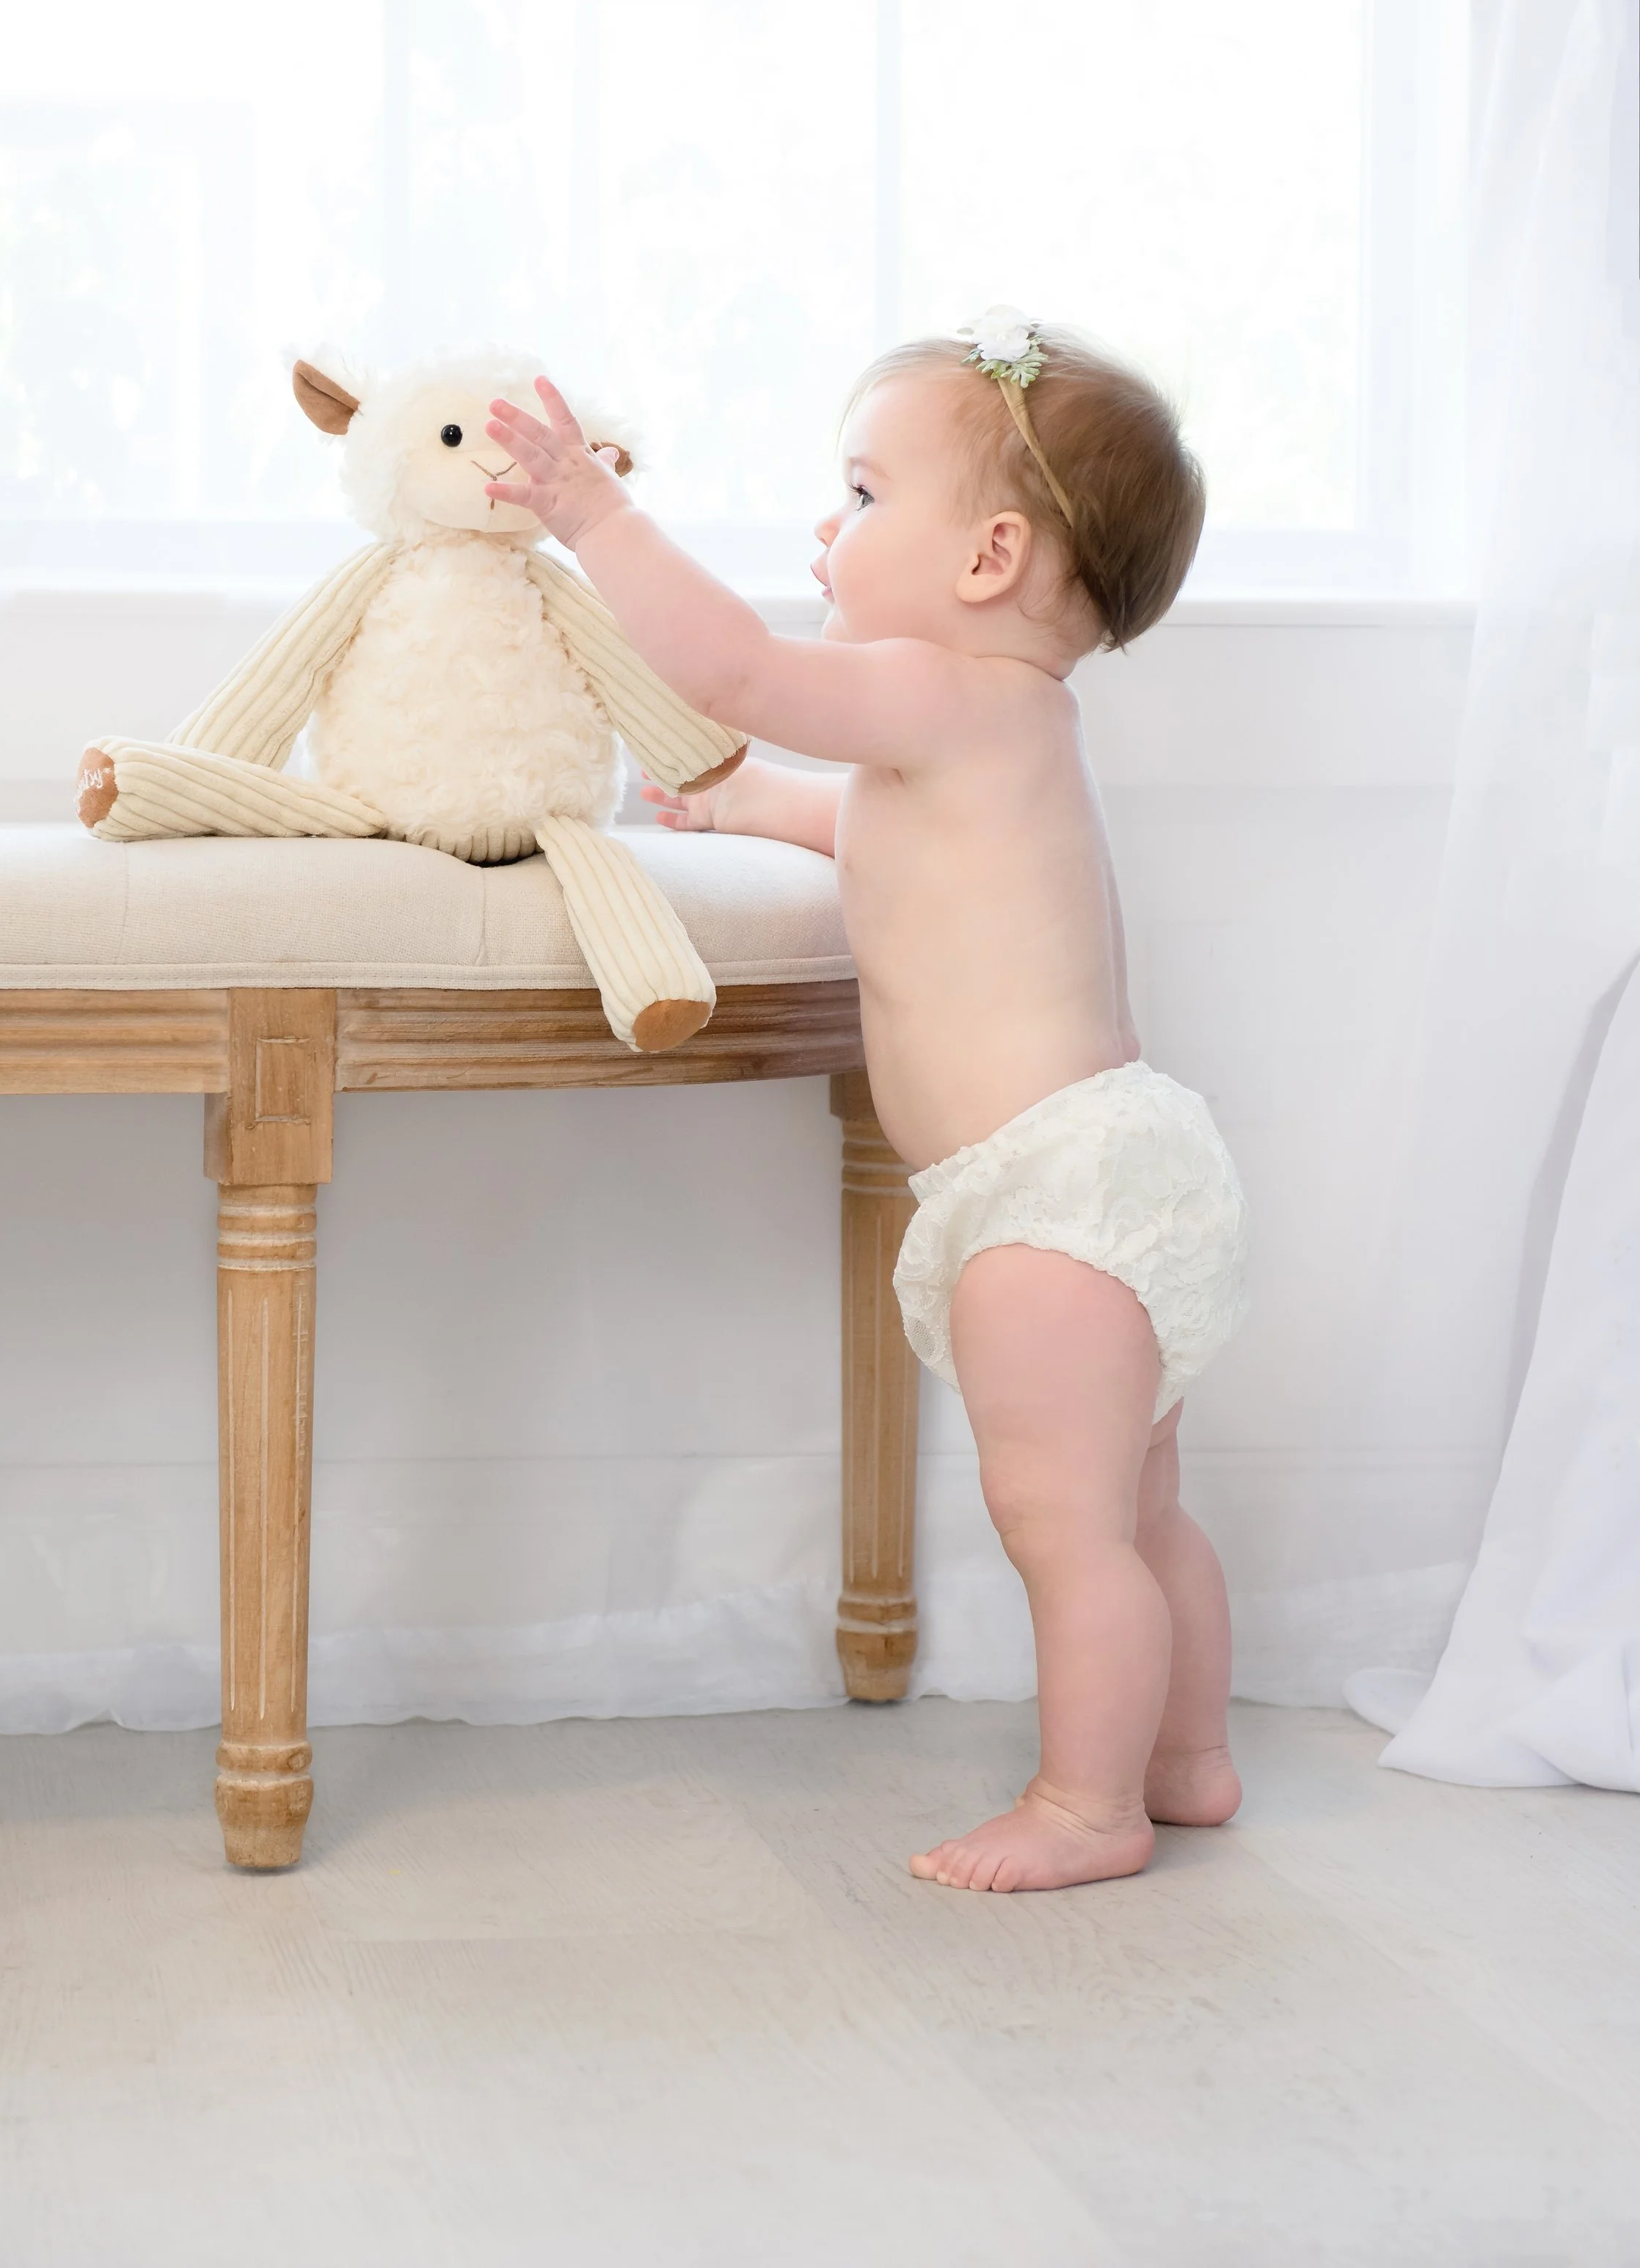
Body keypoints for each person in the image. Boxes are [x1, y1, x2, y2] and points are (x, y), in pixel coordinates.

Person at [483, 309, 1248, 1892]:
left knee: (1062, 1530)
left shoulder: (937, 688)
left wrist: (590, 512)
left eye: (860, 493)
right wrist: (751, 806)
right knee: (1139, 1508)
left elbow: (735, 669)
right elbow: (881, 837)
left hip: (1045, 1202)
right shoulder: (997, 727)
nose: (825, 529)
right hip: (1120, 1166)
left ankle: (1089, 1807)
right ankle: (1183, 1759)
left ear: (987, 557)